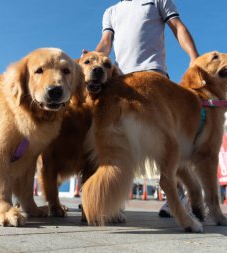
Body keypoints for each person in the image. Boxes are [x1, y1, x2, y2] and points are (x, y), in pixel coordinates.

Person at [93, 0, 199, 217]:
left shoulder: (158, 0)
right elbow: (106, 42)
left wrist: (194, 58)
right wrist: (92, 60)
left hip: (153, 76)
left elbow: (177, 27)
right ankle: (115, 199)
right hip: (121, 80)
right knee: (121, 142)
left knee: (165, 141)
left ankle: (177, 195)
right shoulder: (111, 11)